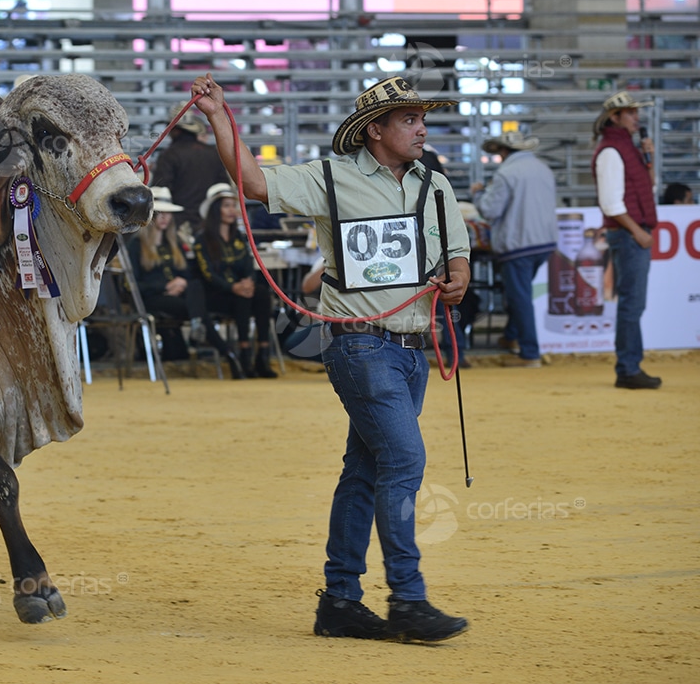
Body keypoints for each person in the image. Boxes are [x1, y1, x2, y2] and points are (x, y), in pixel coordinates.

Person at [191, 74, 472, 643]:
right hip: (361, 343)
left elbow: (457, 252)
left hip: (413, 347)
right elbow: (250, 182)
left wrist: (458, 278)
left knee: (365, 472)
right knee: (403, 461)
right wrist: (220, 117)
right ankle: (408, 600)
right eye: (409, 119)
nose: (422, 128)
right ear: (375, 130)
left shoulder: (435, 186)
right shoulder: (329, 177)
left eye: (422, 118)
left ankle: (340, 600)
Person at [127, 187, 243, 377]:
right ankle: (225, 350)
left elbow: (188, 276)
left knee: (195, 287)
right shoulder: (136, 245)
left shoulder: (174, 242)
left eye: (168, 213)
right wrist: (165, 286)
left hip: (181, 298)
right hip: (152, 299)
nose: (164, 217)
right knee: (198, 306)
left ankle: (210, 335)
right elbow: (131, 285)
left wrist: (180, 284)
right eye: (159, 212)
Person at [592, 91, 661, 390]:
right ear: (615, 117)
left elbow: (649, 185)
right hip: (629, 234)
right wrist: (638, 231)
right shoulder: (612, 150)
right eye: (630, 113)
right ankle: (628, 367)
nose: (637, 118)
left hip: (630, 233)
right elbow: (611, 204)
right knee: (633, 303)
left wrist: (650, 159)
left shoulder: (622, 148)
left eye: (636, 112)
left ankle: (630, 365)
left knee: (633, 302)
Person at [470, 131, 558, 368]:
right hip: (545, 242)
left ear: (504, 151)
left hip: (519, 243)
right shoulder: (543, 169)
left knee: (519, 298)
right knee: (520, 294)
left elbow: (490, 210)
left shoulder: (506, 173)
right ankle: (510, 337)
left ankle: (530, 353)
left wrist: (478, 193)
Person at [193, 183, 277, 379]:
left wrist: (247, 282)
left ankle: (262, 353)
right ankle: (244, 354)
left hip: (240, 291)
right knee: (243, 298)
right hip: (217, 294)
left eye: (233, 205)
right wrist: (234, 287)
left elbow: (249, 262)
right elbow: (208, 275)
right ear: (216, 210)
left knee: (261, 293)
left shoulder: (238, 236)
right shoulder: (202, 240)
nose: (233, 210)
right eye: (227, 206)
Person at [151, 102, 230, 237]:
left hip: (177, 224)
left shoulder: (169, 155)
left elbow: (161, 189)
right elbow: (223, 188)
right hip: (210, 224)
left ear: (175, 130)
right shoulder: (213, 153)